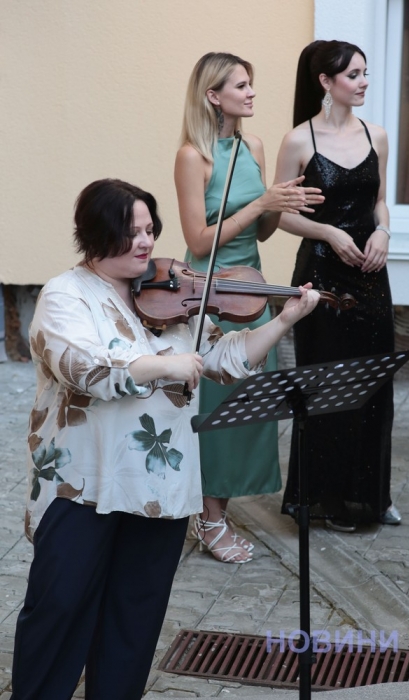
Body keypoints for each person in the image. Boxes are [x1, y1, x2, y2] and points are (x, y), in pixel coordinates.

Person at [10, 178, 320, 699]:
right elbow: (84, 368)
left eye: (150, 229)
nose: (146, 241)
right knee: (59, 608)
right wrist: (165, 365)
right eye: (131, 231)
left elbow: (226, 360)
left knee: (134, 618)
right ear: (94, 233)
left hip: (160, 485)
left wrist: (284, 319)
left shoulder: (171, 292)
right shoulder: (65, 294)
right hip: (81, 484)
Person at [174, 51, 324, 562]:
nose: (252, 92)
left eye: (250, 84)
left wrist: (278, 206)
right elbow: (199, 239)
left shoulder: (252, 145)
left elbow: (260, 231)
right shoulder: (193, 156)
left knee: (250, 407)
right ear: (213, 95)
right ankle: (209, 518)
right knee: (217, 408)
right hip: (210, 291)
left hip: (252, 287)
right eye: (241, 85)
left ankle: (218, 508)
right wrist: (261, 203)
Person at [274, 40, 401, 532]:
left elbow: (380, 201)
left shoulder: (377, 135)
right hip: (322, 275)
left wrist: (384, 231)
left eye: (365, 72)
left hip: (370, 276)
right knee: (326, 386)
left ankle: (372, 495)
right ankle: (324, 498)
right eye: (353, 74)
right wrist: (327, 232)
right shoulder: (298, 141)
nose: (364, 81)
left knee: (374, 384)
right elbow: (281, 214)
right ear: (326, 82)